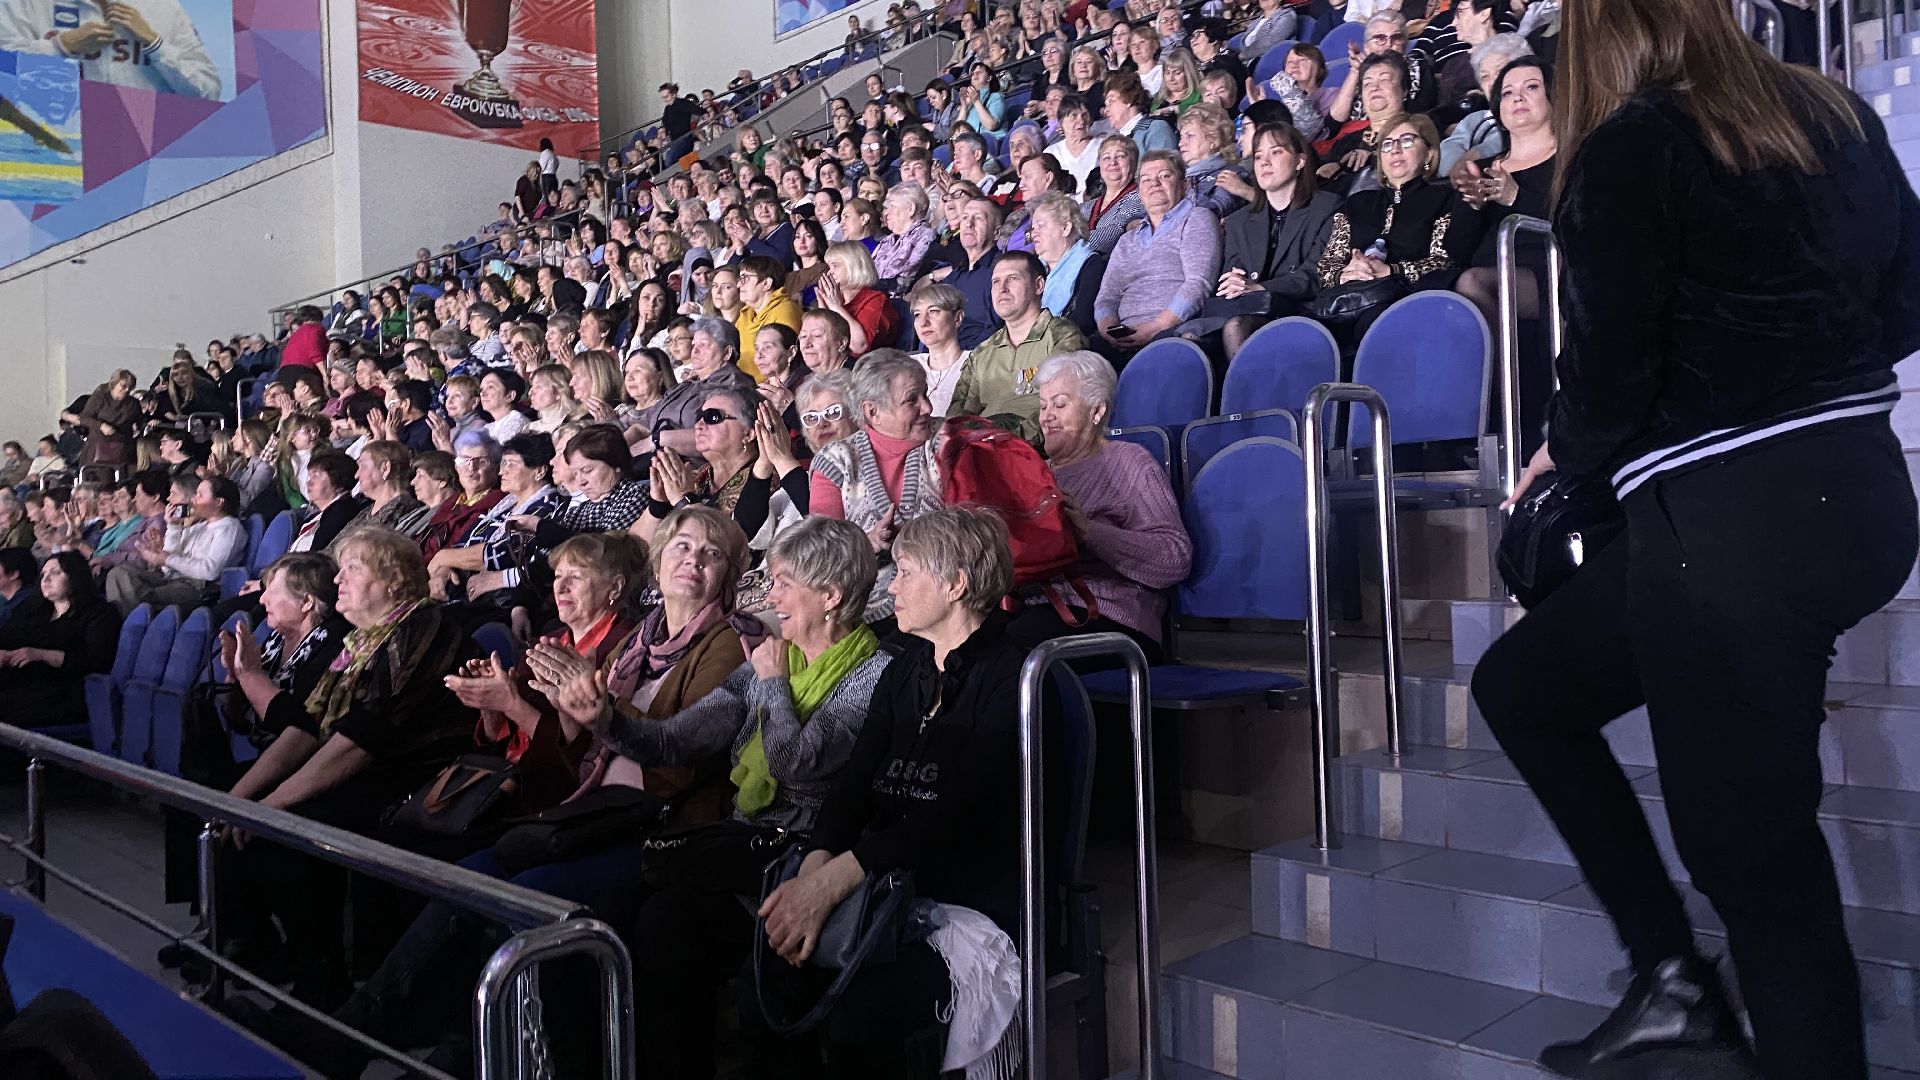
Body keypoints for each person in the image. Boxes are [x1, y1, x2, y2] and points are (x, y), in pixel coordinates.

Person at [1469, 0, 1920, 1076]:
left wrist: (1561, 456)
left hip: (1730, 532)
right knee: (1526, 687)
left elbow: (1612, 382)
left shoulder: (1631, 146)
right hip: (1852, 495)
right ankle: (1670, 979)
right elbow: (1907, 306)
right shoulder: (1833, 109)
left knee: (1752, 858)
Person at [744, 508, 1026, 1078]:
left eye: (905, 571)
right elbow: (852, 787)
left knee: (860, 1012)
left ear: (954, 585)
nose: (889, 585)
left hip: (962, 894)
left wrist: (834, 879)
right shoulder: (905, 667)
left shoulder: (1013, 675)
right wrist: (815, 869)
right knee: (769, 968)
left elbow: (954, 814)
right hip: (880, 877)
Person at [1015, 351, 1190, 657]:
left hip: (1114, 621)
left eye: (1059, 404)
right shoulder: (1033, 473)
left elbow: (1174, 559)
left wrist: (1090, 533)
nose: (1046, 416)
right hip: (1036, 612)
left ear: (1097, 411)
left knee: (1010, 652)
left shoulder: (1129, 461)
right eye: (1042, 406)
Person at [809, 353, 941, 621]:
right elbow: (821, 553)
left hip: (944, 599)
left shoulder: (947, 442)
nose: (927, 408)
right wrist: (865, 543)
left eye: (925, 395)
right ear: (873, 412)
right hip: (865, 613)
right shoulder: (836, 461)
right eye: (911, 400)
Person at [1313, 113, 1469, 340]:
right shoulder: (1357, 202)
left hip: (1408, 297)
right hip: (1350, 296)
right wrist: (1343, 274)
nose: (1395, 150)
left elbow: (1444, 260)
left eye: (1407, 141)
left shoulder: (1444, 197)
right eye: (1387, 144)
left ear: (1429, 153)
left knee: (1372, 323)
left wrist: (1392, 271)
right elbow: (1327, 264)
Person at [1201, 122, 1342, 356]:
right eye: (1258, 156)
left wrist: (1259, 287)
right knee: (1185, 337)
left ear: (1300, 161)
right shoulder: (1238, 221)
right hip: (1246, 309)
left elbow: (1317, 275)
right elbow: (1232, 277)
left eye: (1276, 152)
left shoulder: (1327, 207)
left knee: (1236, 326)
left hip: (1299, 310)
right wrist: (1236, 284)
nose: (1264, 162)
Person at [1094, 150, 1221, 354]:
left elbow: (1198, 283)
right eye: (1146, 179)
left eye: (1164, 176)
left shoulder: (1197, 218)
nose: (1154, 183)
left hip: (1172, 332)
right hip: (1121, 337)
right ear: (1140, 191)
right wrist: (1108, 330)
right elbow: (1107, 297)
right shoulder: (1127, 240)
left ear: (1183, 185)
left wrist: (1157, 326)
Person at [952, 251, 1085, 441]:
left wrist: (1009, 441)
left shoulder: (1062, 336)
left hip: (1034, 452)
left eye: (1012, 278)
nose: (1002, 288)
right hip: (981, 450)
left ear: (1038, 285)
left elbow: (1063, 407)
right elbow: (958, 417)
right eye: (996, 282)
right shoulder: (982, 352)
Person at [0, 0, 223, 99]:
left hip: (143, 152)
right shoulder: (27, 5)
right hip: (57, 153)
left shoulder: (163, 8)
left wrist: (155, 44)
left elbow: (207, 92)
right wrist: (60, 48)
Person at [0, 552, 119, 728]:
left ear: (75, 576)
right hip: (26, 681)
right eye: (43, 574)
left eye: (55, 573)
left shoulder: (99, 613)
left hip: (67, 691)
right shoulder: (33, 608)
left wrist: (42, 655)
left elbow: (96, 663)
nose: (45, 579)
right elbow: (7, 636)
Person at [103, 476, 246, 614]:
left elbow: (210, 571)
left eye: (200, 495)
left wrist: (166, 559)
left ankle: (133, 622)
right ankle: (135, 615)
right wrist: (172, 528)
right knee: (119, 573)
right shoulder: (199, 526)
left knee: (136, 597)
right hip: (172, 579)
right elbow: (170, 565)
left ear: (218, 502)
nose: (193, 499)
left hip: (197, 588)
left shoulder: (229, 527)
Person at [906, 283, 971, 417]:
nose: (924, 322)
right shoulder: (907, 366)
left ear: (957, 318)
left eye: (933, 311)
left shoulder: (977, 365)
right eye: (918, 314)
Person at [64, 370, 140, 468]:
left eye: (130, 387)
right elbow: (84, 417)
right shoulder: (100, 397)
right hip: (97, 446)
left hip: (121, 447)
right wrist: (100, 425)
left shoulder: (133, 404)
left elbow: (139, 422)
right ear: (114, 384)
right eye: (123, 386)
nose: (127, 390)